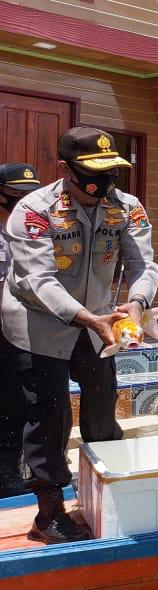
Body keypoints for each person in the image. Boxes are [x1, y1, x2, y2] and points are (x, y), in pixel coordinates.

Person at [2, 127, 158, 543]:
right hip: (38, 325)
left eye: (112, 171)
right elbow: (38, 280)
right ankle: (49, 513)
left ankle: (106, 494)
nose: (103, 182)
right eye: (93, 172)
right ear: (64, 169)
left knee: (102, 409)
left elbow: (143, 264)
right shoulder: (33, 210)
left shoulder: (127, 207)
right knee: (48, 416)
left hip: (98, 325)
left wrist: (138, 303)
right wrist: (90, 318)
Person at [0, 163, 41, 497]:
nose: (21, 203)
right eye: (14, 196)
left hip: (27, 328)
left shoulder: (35, 232)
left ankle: (23, 470)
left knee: (24, 399)